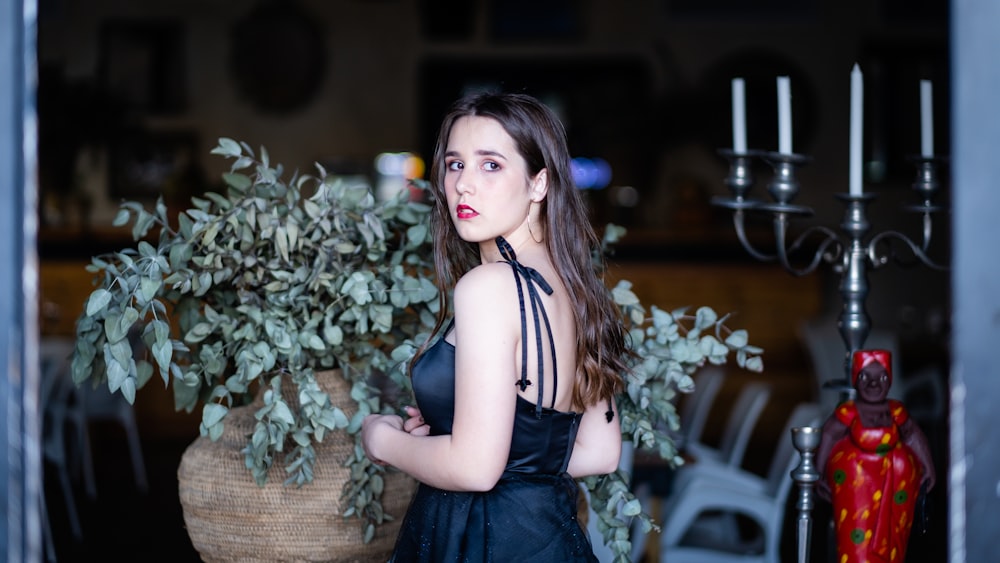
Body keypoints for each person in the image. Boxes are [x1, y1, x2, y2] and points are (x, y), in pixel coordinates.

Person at [360, 91, 632, 561]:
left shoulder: (487, 287)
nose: (464, 184)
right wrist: (474, 436)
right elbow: (600, 451)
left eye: (490, 165)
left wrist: (383, 440)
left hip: (484, 541)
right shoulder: (575, 285)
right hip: (547, 538)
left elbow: (474, 470)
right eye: (454, 164)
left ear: (539, 183)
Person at [815, 349, 936, 563]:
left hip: (895, 487)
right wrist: (820, 470)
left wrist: (928, 466)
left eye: (881, 377)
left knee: (893, 538)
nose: (873, 384)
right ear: (855, 380)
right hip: (856, 488)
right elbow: (829, 434)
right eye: (865, 377)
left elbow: (912, 435)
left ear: (889, 380)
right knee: (856, 536)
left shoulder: (896, 410)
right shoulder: (848, 412)